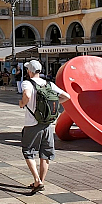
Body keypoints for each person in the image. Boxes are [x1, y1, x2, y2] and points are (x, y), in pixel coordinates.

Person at [19, 60, 70, 193]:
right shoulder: (49, 84)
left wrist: (22, 103)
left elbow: (27, 95)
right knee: (45, 153)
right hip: (47, 124)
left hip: (32, 124)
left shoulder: (27, 83)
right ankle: (41, 181)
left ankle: (37, 180)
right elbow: (67, 96)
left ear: (29, 71)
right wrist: (53, 103)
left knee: (28, 151)